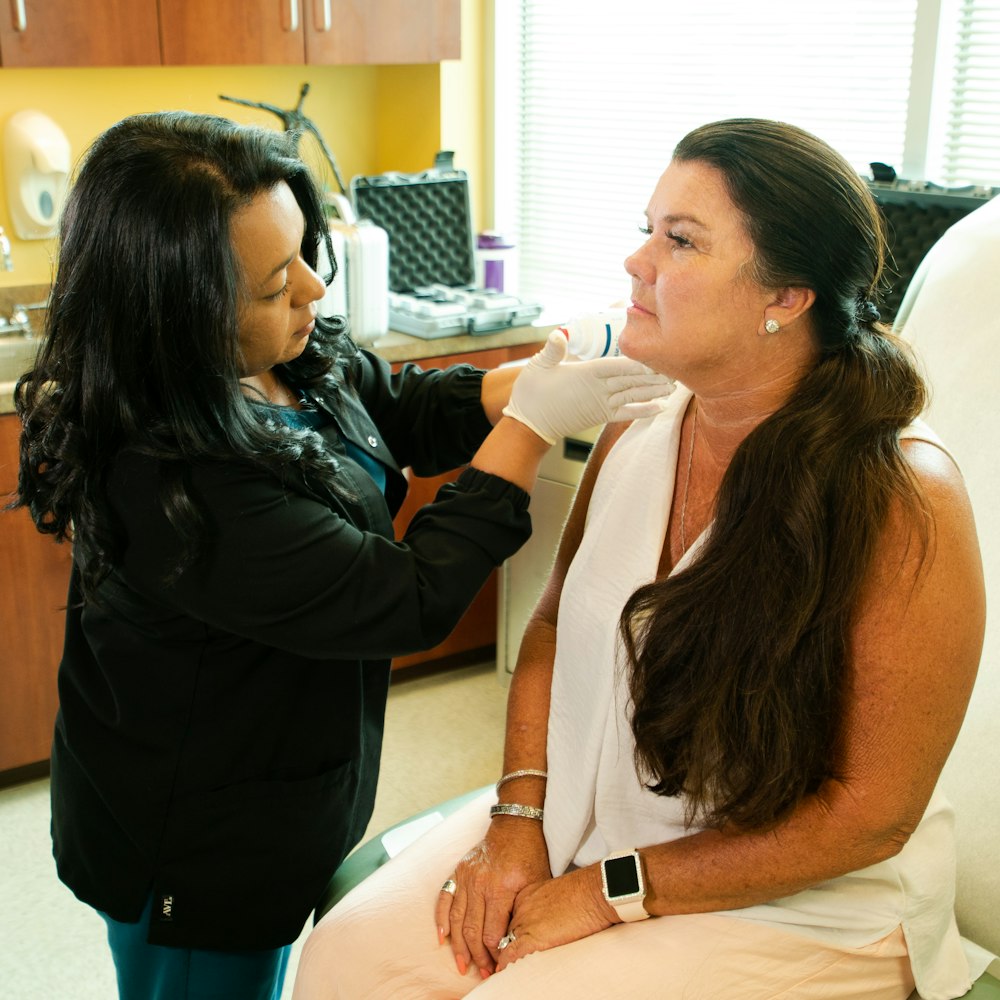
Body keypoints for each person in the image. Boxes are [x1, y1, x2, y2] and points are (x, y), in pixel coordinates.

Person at [291, 118, 987, 1000]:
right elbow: (548, 626)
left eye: (682, 240)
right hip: (592, 815)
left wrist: (606, 892)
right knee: (345, 959)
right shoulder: (642, 418)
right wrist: (516, 820)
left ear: (787, 298)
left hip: (791, 900)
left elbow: (868, 818)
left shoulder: (900, 494)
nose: (637, 262)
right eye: (646, 229)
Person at [12, 111, 675, 1000]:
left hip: (287, 779)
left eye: (304, 257)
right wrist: (531, 428)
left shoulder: (284, 354)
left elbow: (393, 405)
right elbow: (407, 597)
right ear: (179, 308)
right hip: (192, 842)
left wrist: (544, 370)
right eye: (275, 282)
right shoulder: (171, 474)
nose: (314, 295)